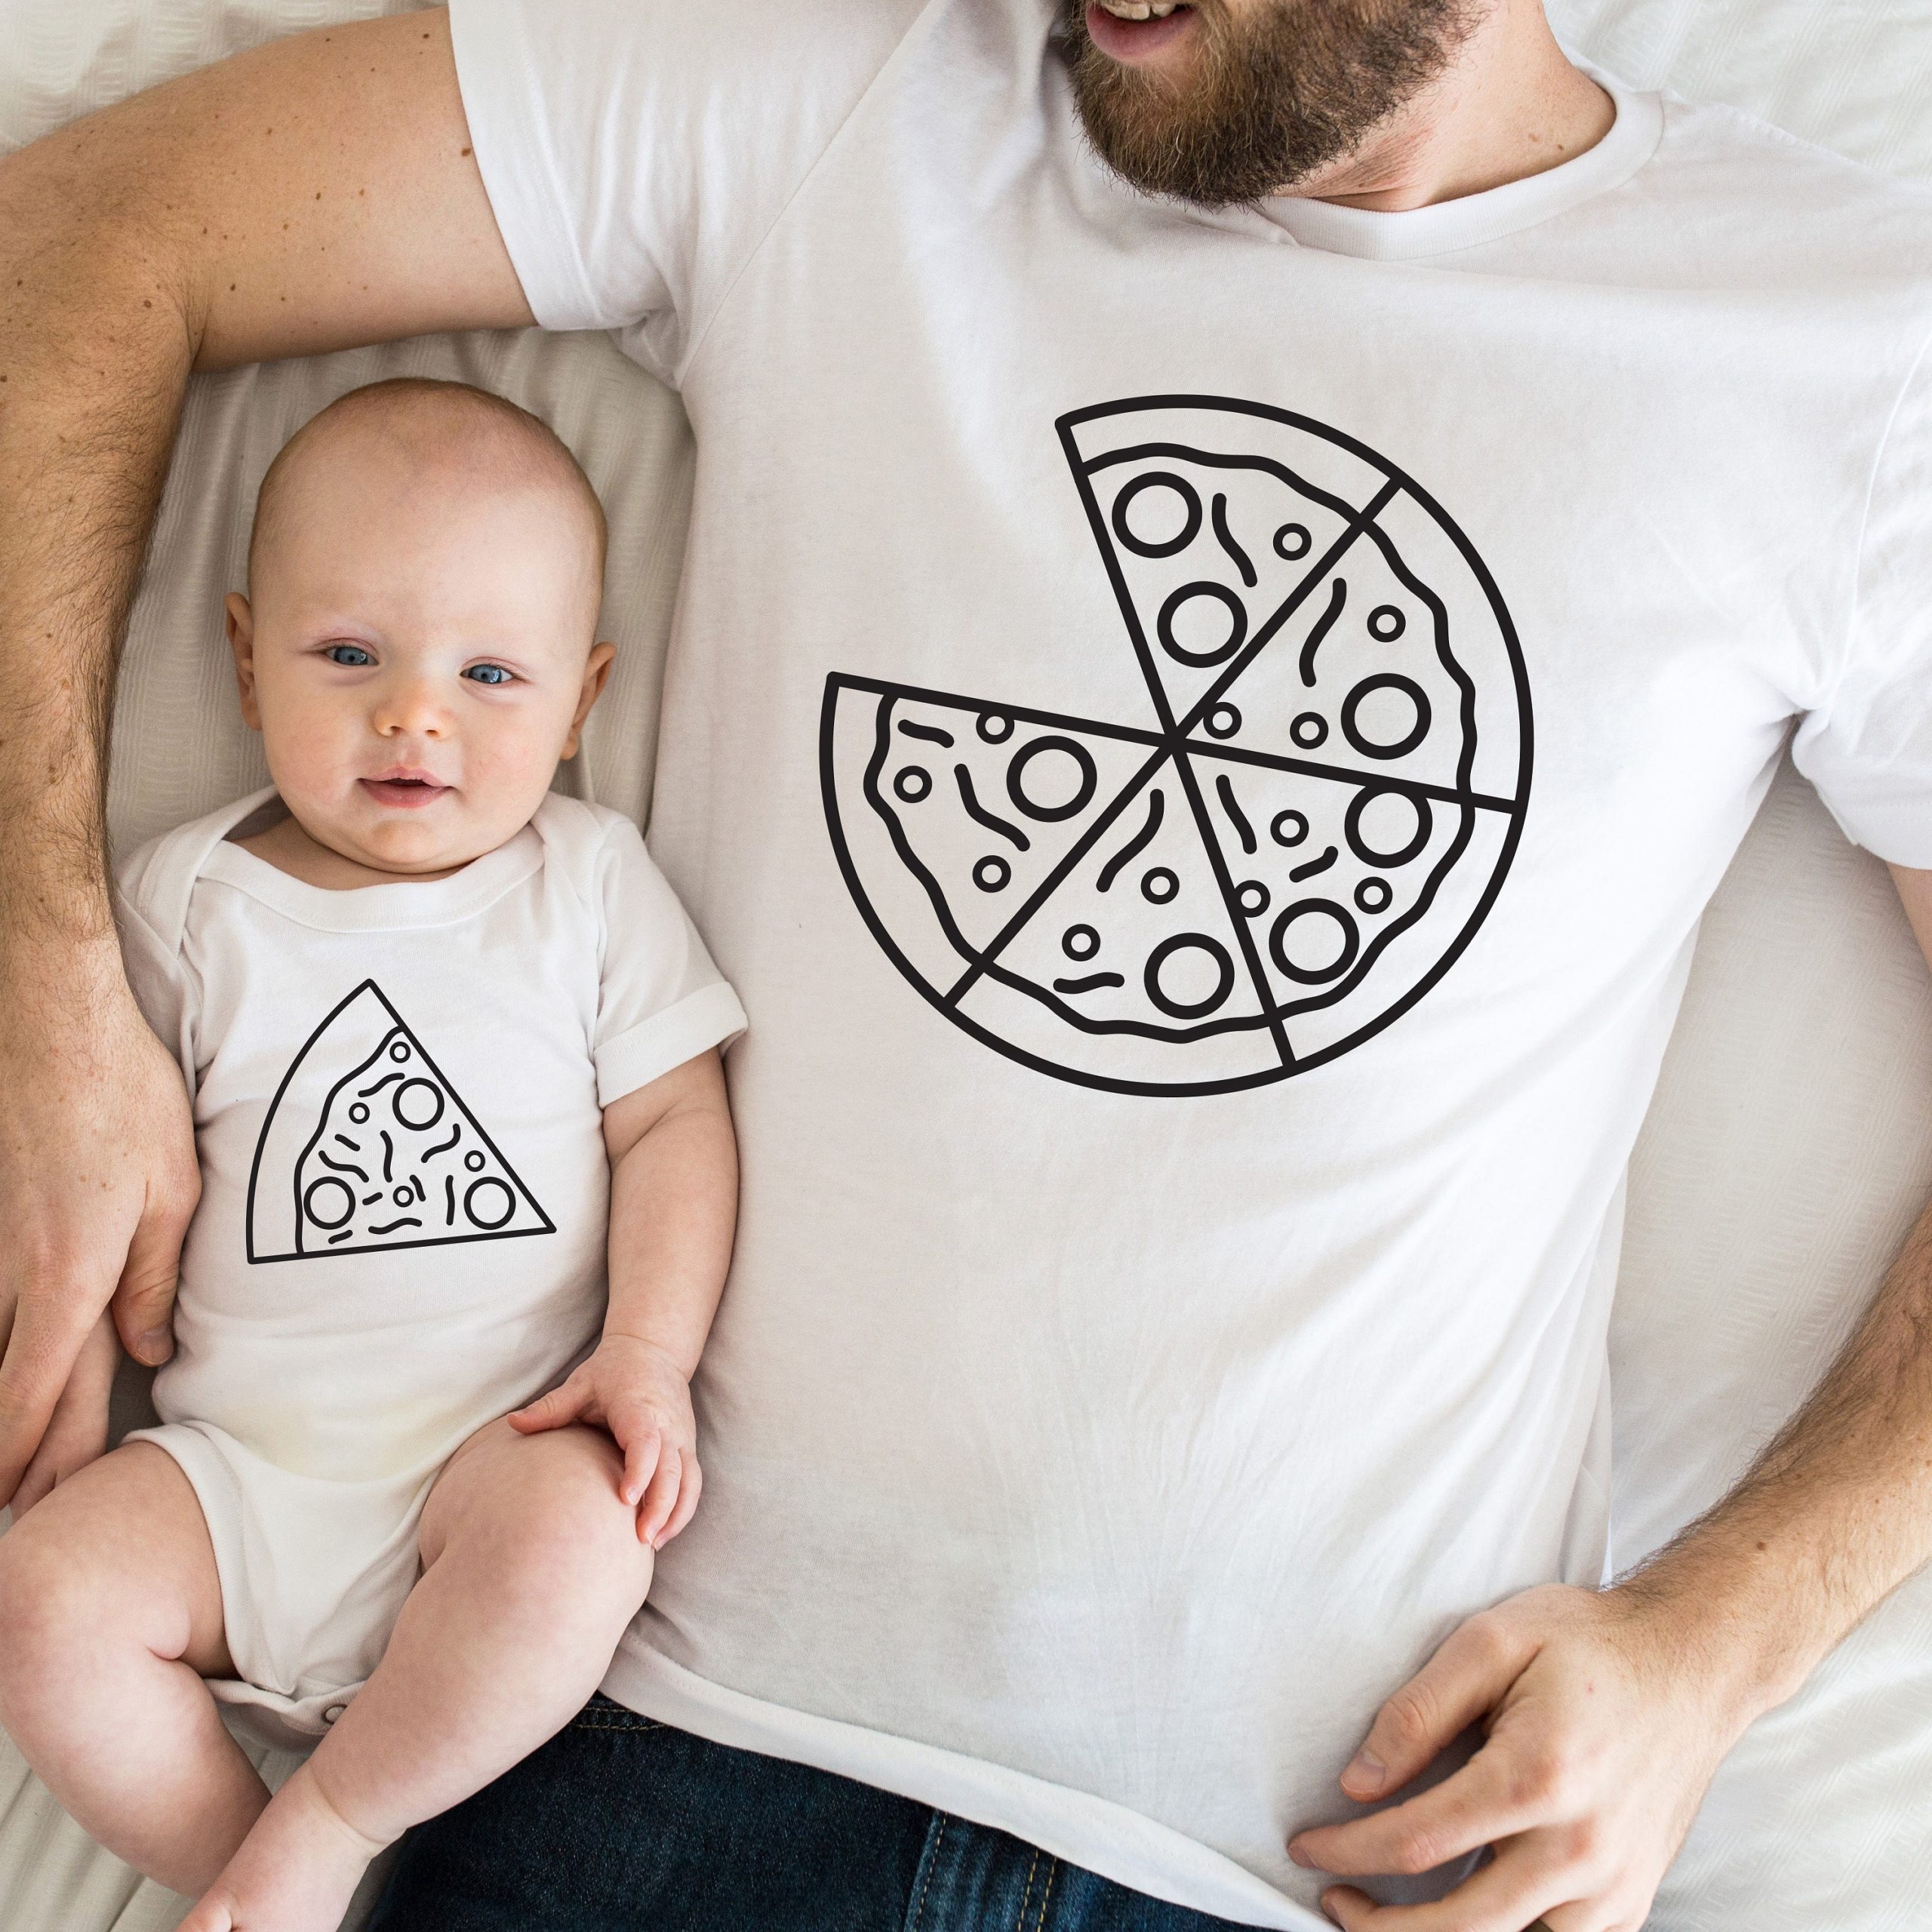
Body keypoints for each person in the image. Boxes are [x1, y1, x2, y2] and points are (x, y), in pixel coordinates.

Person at [3, 1, 1932, 1927]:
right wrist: (51, 983)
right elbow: (78, 228)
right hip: (623, 1754)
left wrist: (1715, 1642)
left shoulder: (1846, 343)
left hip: (1308, 1863)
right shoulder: (851, 83)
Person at [0, 377, 747, 1932]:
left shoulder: (587, 885)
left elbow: (675, 1118)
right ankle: (251, 1876)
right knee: (41, 1601)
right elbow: (84, 1137)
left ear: (584, 698)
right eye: (348, 654)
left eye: (490, 672)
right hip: (233, 1478)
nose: (417, 713)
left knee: (580, 1538)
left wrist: (648, 1354)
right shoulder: (183, 899)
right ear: (241, 656)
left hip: (485, 1462)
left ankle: (330, 1825)